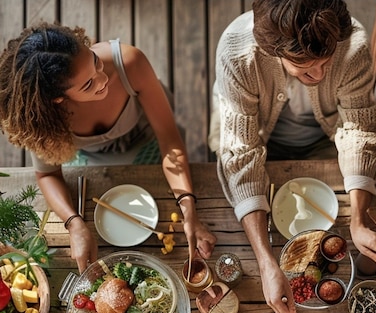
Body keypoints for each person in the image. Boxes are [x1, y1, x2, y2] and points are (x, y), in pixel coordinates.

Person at [212, 0, 376, 313]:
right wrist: (266, 262)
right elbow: (241, 154)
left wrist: (359, 221)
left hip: (328, 143)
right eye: (306, 68)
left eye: (326, 61)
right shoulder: (236, 52)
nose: (319, 74)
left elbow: (359, 130)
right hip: (256, 137)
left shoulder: (353, 44)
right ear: (272, 50)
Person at [0, 22, 216, 272]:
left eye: (95, 62)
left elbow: (169, 139)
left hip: (148, 140)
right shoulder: (42, 118)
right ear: (58, 99)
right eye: (88, 85)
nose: (103, 80)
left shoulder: (129, 63)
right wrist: (75, 223)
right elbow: (47, 174)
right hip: (87, 159)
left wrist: (189, 211)